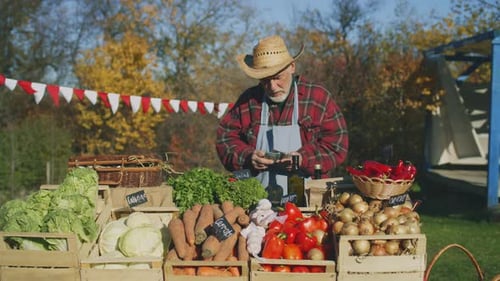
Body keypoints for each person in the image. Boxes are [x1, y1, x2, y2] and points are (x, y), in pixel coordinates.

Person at [216, 35, 348, 195]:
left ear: (292, 67)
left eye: (277, 78)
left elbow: (337, 145)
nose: (272, 86)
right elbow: (225, 139)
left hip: (309, 201)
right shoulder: (249, 100)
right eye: (264, 80)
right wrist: (248, 157)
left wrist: (303, 159)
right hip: (256, 201)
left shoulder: (317, 97)